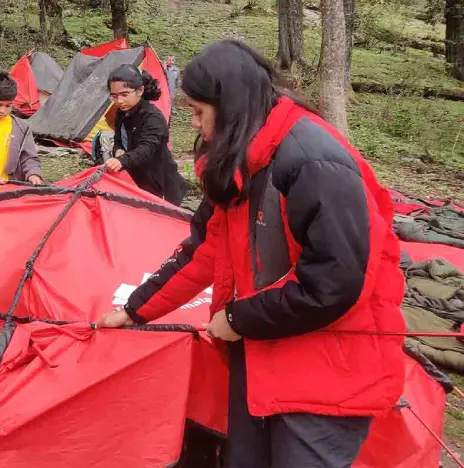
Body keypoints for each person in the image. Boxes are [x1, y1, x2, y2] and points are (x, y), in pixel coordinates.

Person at [97, 40, 406, 467]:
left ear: (231, 107)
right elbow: (205, 249)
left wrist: (240, 318)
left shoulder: (313, 162)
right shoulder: (241, 165)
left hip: (326, 373)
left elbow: (335, 282)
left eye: (199, 111)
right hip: (260, 356)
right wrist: (136, 309)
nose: (197, 125)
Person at [104, 64, 187, 206]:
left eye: (124, 94)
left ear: (140, 90)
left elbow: (147, 148)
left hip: (161, 185)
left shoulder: (152, 117)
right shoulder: (121, 112)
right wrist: (118, 149)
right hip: (139, 181)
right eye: (114, 96)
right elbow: (118, 139)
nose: (119, 101)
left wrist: (122, 160)